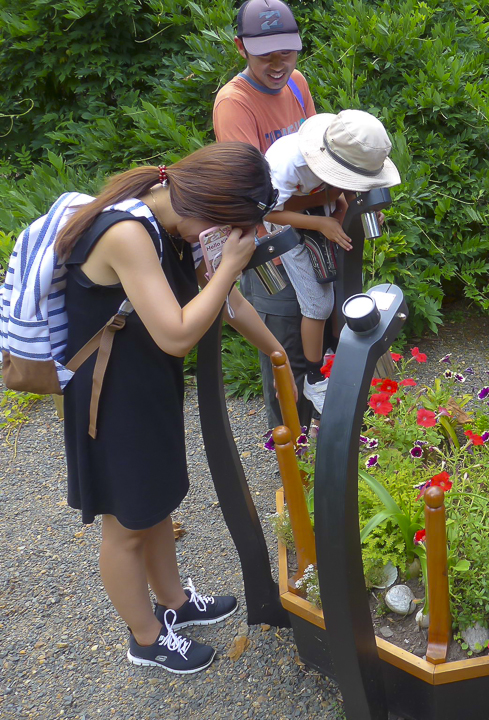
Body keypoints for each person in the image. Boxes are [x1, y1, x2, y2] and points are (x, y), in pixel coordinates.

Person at [58, 142, 286, 673]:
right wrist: (231, 263)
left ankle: (175, 604)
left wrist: (276, 354)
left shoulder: (179, 223)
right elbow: (177, 334)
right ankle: (145, 638)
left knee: (155, 502)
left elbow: (227, 302)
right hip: (110, 395)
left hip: (146, 384)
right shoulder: (127, 233)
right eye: (225, 227)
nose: (225, 239)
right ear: (205, 203)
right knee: (126, 523)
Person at [213, 0, 317, 430]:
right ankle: (293, 461)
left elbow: (316, 150)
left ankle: (328, 444)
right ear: (240, 48)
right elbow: (254, 193)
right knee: (284, 349)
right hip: (268, 243)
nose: (278, 64)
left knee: (322, 336)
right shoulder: (234, 104)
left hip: (309, 228)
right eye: (265, 54)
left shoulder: (297, 83)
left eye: (286, 52)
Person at [263, 110, 401, 412]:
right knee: (318, 304)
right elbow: (268, 213)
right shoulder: (286, 165)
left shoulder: (353, 145)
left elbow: (349, 187)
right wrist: (320, 225)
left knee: (345, 287)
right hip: (285, 224)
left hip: (326, 209)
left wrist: (363, 208)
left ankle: (337, 355)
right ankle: (314, 379)